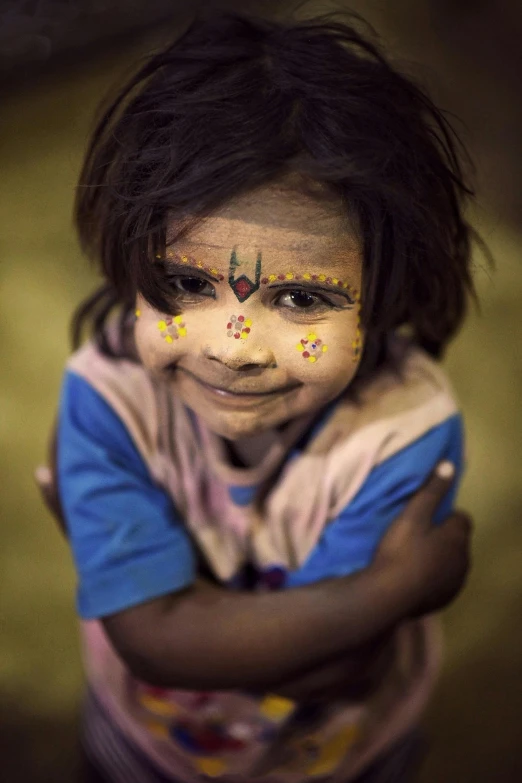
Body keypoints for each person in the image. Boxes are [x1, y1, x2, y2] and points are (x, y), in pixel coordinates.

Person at [37, 11, 475, 783]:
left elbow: (336, 673)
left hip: (346, 756)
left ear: (386, 296)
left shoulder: (402, 433)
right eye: (185, 282)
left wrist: (200, 615)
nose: (232, 347)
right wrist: (394, 587)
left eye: (304, 299)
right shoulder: (109, 397)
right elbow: (151, 637)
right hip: (142, 743)